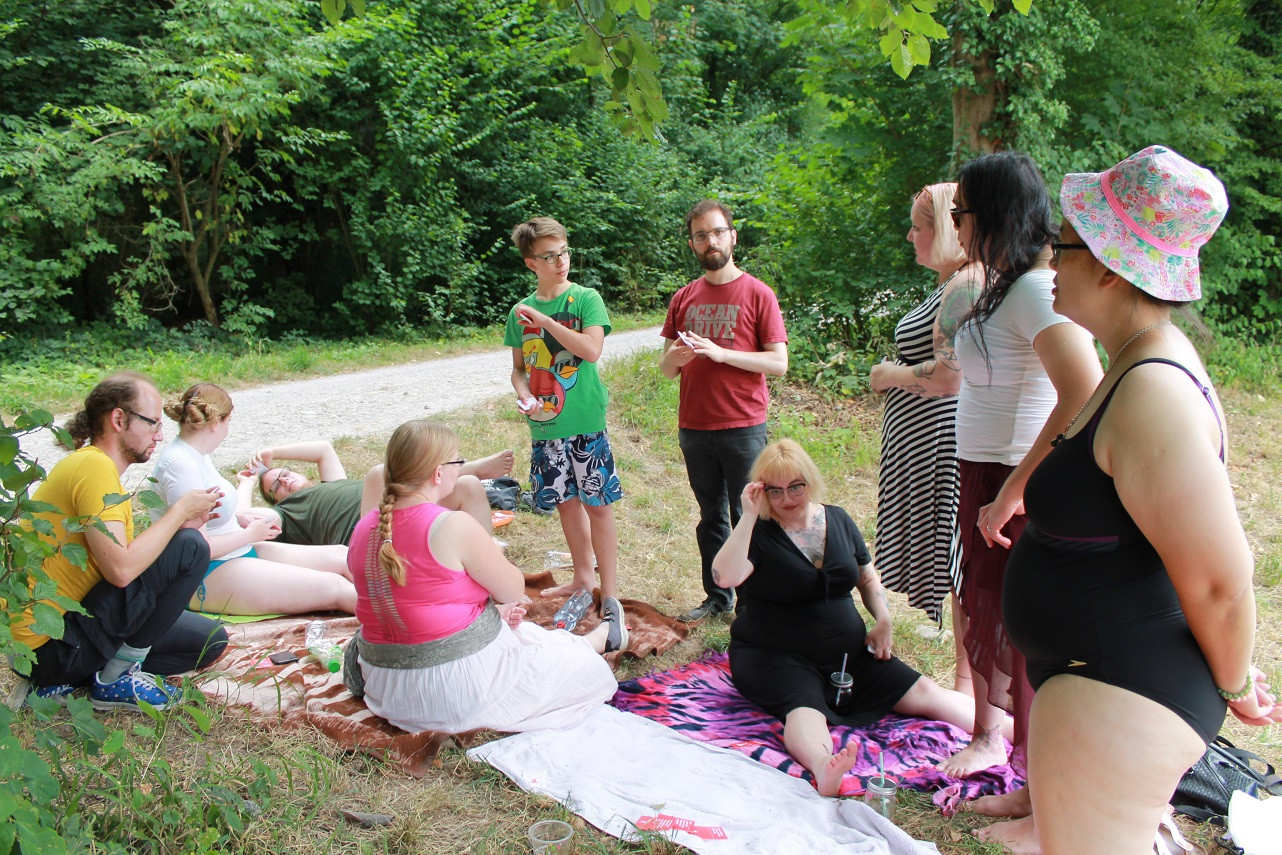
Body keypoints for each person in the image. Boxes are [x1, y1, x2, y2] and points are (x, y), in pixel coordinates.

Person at [1004, 145, 1281, 855]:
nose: (1049, 259)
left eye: (1063, 243)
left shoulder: (1153, 389)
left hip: (1124, 688)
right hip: (1104, 679)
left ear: (1109, 265)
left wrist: (1236, 681)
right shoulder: (1131, 360)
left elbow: (1221, 581)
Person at [940, 151, 1104, 851]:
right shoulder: (1004, 284)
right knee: (995, 616)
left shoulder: (1037, 289)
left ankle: (1042, 793)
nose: (955, 225)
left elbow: (1084, 389)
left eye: (961, 213)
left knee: (1026, 633)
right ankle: (1019, 767)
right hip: (986, 475)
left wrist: (1011, 490)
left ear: (995, 214)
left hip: (1015, 485)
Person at [712, 439, 987, 796]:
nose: (787, 499)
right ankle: (824, 767)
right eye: (774, 491)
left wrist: (883, 620)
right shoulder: (758, 532)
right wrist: (748, 516)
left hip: (848, 656)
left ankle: (1013, 733)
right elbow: (725, 577)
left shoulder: (838, 519)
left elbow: (867, 578)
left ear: (810, 481)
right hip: (776, 656)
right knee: (805, 709)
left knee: (922, 691)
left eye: (795, 487)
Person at [345, 420, 627, 734]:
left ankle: (593, 641)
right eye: (457, 462)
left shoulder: (364, 527)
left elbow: (414, 600)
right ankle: (595, 642)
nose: (460, 469)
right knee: (572, 668)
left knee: (529, 639)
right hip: (448, 690)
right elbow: (513, 590)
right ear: (438, 473)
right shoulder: (452, 525)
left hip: (384, 685)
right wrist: (488, 554)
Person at [14, 372, 227, 710]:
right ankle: (116, 677)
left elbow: (122, 563)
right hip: (48, 646)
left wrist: (182, 523)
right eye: (152, 423)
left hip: (69, 627)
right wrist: (178, 513)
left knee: (209, 640)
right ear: (118, 419)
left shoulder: (98, 469)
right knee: (191, 547)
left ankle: (76, 679)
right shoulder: (94, 467)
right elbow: (121, 570)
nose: (160, 436)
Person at [869, 183, 983, 697]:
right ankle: (967, 686)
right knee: (952, 565)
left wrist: (887, 375)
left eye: (918, 226)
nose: (909, 236)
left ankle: (966, 688)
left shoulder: (966, 283)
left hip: (942, 442)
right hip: (925, 440)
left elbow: (946, 378)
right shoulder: (952, 283)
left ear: (947, 230)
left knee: (958, 567)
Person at [660, 199, 789, 622]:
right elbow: (666, 369)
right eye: (701, 235)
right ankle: (718, 597)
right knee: (711, 516)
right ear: (692, 244)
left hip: (743, 426)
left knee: (750, 515)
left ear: (732, 236)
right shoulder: (683, 298)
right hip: (694, 426)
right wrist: (675, 357)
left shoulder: (758, 293)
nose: (710, 241)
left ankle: (756, 603)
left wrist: (721, 353)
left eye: (717, 232)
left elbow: (778, 363)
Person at [149, 383, 357, 616]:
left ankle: (390, 600)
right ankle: (388, 627)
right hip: (204, 573)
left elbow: (210, 519)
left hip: (237, 551)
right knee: (334, 586)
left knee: (343, 556)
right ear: (216, 422)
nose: (227, 430)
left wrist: (240, 519)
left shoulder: (197, 455)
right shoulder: (181, 466)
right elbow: (197, 549)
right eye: (228, 422)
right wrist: (250, 534)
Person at [505, 216, 623, 603]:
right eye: (549, 256)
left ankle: (609, 594)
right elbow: (519, 370)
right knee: (567, 506)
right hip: (546, 425)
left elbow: (591, 350)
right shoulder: (519, 312)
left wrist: (545, 322)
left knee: (598, 506)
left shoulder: (586, 299)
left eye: (564, 252)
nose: (561, 262)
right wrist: (525, 395)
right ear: (531, 263)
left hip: (586, 420)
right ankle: (583, 580)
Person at [246, 440, 515, 545]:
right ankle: (461, 467)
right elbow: (243, 516)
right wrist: (248, 480)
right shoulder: (286, 514)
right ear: (275, 500)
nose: (284, 481)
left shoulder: (333, 482)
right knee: (378, 473)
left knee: (469, 486)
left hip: (407, 508)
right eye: (275, 486)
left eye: (284, 473)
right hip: (371, 534)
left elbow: (324, 449)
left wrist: (273, 452)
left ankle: (489, 562)